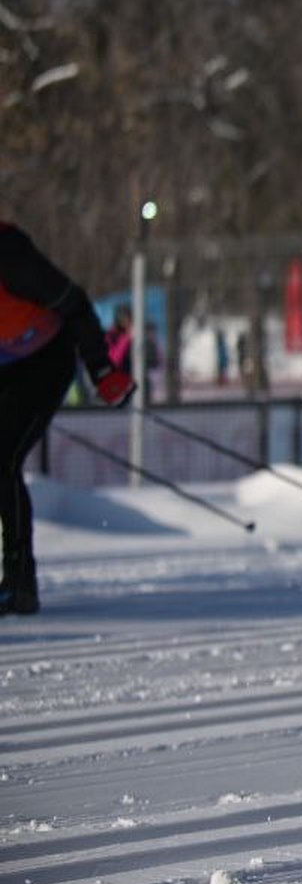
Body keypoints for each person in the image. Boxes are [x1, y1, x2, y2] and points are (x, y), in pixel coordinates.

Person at [1, 223, 136, 615]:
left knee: (2, 460)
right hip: (5, 362)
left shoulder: (8, 253)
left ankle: (19, 584)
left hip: (44, 360)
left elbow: (74, 302)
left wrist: (102, 370)